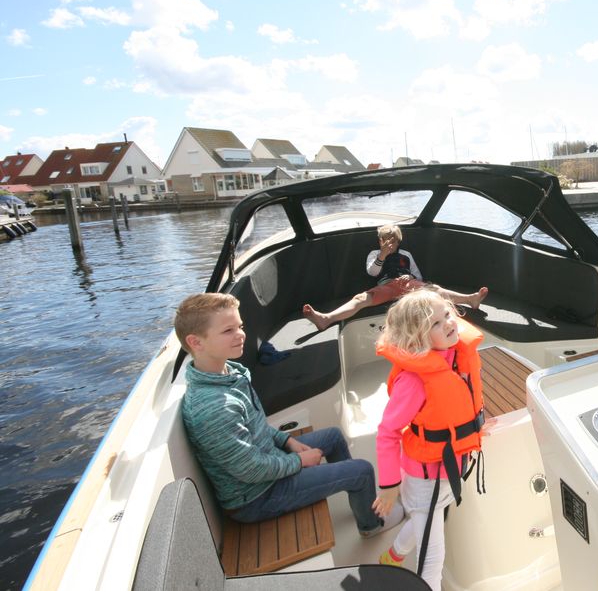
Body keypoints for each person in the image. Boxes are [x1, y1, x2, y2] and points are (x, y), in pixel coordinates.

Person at [176, 292, 405, 536]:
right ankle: (370, 524)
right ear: (196, 342)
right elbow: (250, 470)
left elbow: (256, 427)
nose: (241, 334)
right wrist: (298, 462)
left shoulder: (228, 372)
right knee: (361, 471)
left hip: (266, 460)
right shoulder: (214, 407)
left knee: (333, 437)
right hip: (257, 497)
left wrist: (288, 441)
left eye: (240, 326)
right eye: (228, 331)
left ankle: (349, 487)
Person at [371, 289, 491, 591]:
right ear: (417, 339)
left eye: (447, 315)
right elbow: (387, 432)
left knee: (428, 517)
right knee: (432, 558)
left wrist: (474, 428)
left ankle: (392, 556)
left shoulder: (453, 356)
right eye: (436, 324)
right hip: (425, 479)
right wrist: (388, 486)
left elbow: (460, 401)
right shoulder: (414, 381)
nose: (449, 323)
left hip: (450, 467)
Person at [302, 224, 488, 331]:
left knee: (435, 290)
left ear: (399, 241)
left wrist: (415, 281)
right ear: (380, 241)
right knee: (360, 299)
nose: (389, 244)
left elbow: (418, 274)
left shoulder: (406, 254)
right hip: (386, 286)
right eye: (385, 240)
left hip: (408, 282)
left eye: (393, 241)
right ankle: (326, 319)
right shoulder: (374, 254)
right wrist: (382, 255)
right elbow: (372, 273)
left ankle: (470, 299)